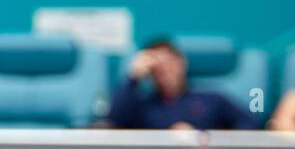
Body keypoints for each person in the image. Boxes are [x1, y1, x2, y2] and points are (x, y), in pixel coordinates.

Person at [108, 38, 258, 130]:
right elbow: (113, 123)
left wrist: (203, 137)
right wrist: (133, 77)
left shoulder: (213, 99)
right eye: (158, 67)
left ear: (182, 63)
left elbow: (250, 125)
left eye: (169, 63)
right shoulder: (142, 107)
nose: (165, 71)